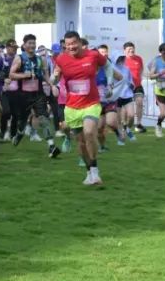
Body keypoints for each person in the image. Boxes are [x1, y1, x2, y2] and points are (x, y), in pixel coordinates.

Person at [51, 31, 107, 186]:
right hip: (72, 107)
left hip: (91, 103)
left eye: (74, 43)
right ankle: (89, 172)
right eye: (68, 44)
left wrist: (109, 83)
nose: (71, 47)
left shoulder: (93, 55)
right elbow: (54, 77)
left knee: (89, 132)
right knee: (81, 142)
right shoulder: (61, 59)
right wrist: (54, 78)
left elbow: (107, 66)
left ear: (80, 43)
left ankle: (95, 171)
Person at [6, 34, 59, 158]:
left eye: (33, 43)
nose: (32, 45)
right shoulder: (19, 58)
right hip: (23, 96)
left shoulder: (41, 59)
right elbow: (11, 75)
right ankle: (20, 134)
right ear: (24, 45)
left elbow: (45, 75)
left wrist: (52, 85)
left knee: (43, 118)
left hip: (38, 94)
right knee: (22, 121)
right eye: (29, 43)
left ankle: (51, 146)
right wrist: (25, 75)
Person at [122, 42, 146, 133]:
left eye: (132, 49)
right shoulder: (122, 60)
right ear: (124, 51)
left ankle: (138, 124)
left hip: (137, 85)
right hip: (126, 87)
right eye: (129, 49)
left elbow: (141, 69)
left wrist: (139, 78)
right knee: (125, 108)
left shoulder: (138, 58)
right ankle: (124, 124)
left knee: (139, 102)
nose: (131, 51)